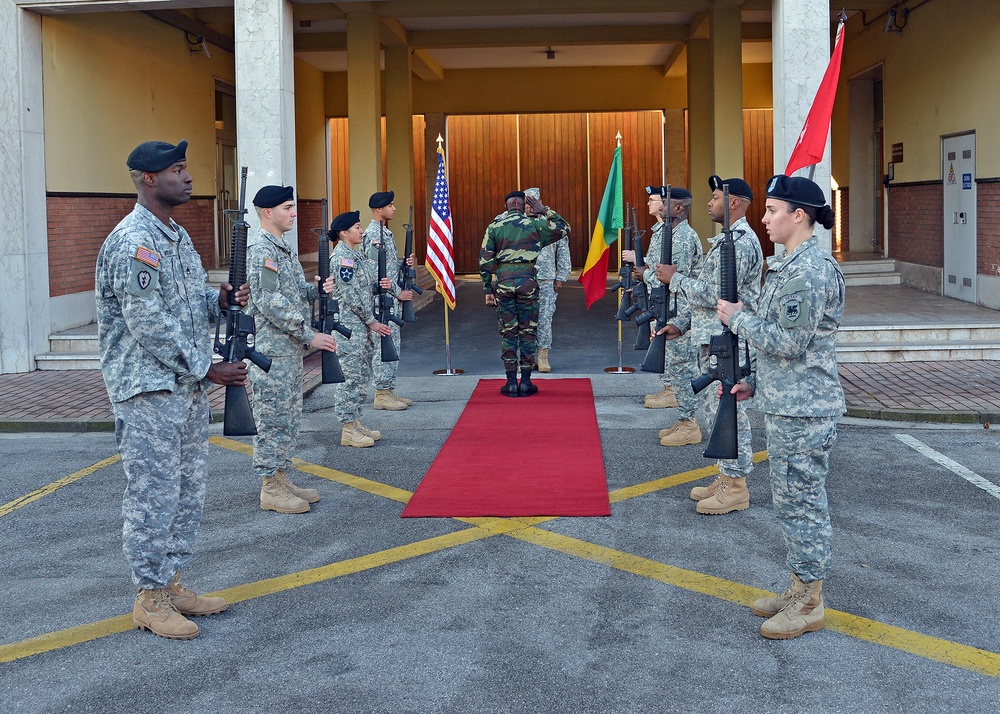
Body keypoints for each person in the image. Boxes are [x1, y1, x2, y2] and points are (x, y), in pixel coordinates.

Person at [96, 139, 245, 640]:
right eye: (177, 170)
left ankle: (171, 581)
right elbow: (147, 322)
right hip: (148, 390)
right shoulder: (132, 241)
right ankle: (148, 597)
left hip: (180, 387)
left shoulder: (175, 235)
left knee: (186, 492)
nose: (188, 177)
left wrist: (217, 298)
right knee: (152, 494)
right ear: (147, 179)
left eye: (186, 168)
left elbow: (182, 299)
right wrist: (207, 368)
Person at [716, 174, 845, 640]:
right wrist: (755, 381)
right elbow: (785, 347)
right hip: (790, 403)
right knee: (792, 502)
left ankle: (809, 602)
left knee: (802, 504)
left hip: (805, 411)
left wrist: (738, 318)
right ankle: (800, 587)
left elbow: (790, 341)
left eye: (772, 211)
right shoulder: (791, 264)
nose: (765, 219)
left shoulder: (809, 271)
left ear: (799, 215)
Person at [656, 176, 763, 515]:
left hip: (730, 339)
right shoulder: (725, 241)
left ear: (733, 203)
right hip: (712, 336)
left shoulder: (742, 243)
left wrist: (676, 279)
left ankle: (736, 487)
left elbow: (715, 295)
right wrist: (682, 323)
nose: (708, 203)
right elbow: (707, 295)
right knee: (715, 412)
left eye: (715, 197)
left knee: (732, 414)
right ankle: (724, 476)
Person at [246, 185, 339, 514]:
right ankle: (269, 486)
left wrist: (314, 289)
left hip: (286, 352)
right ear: (268, 212)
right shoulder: (261, 250)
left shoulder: (281, 248)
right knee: (272, 419)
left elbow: (289, 293)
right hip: (272, 355)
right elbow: (269, 302)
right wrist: (308, 334)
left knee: (287, 418)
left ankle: (281, 477)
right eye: (288, 207)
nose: (294, 213)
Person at [479, 191, 571, 396]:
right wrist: (545, 211)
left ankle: (511, 383)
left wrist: (488, 289)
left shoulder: (495, 226)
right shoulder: (535, 225)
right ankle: (527, 382)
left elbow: (484, 262)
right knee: (528, 332)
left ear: (507, 207)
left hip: (503, 283)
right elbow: (564, 228)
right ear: (524, 207)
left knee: (509, 332)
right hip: (528, 283)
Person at [329, 210, 394, 447]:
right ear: (344, 233)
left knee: (360, 376)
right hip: (350, 328)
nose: (361, 230)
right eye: (357, 227)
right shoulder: (342, 259)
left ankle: (355, 422)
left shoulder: (355, 257)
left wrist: (380, 286)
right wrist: (370, 320)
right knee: (350, 377)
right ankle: (347, 427)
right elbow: (351, 295)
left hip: (360, 328)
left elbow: (364, 288)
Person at [361, 191, 416, 411]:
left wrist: (404, 263)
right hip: (382, 300)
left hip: (389, 298)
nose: (394, 208)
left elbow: (389, 267)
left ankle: (388, 389)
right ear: (378, 209)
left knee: (393, 344)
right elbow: (377, 273)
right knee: (385, 346)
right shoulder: (374, 236)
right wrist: (397, 292)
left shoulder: (385, 233)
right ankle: (382, 392)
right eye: (390, 205)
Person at [525, 188, 571, 373]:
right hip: (523, 278)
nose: (530, 207)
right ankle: (526, 357)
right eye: (527, 203)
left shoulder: (551, 224)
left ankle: (542, 356)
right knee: (523, 319)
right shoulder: (517, 224)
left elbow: (563, 251)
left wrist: (561, 277)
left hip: (546, 279)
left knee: (544, 318)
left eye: (534, 202)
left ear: (540, 202)